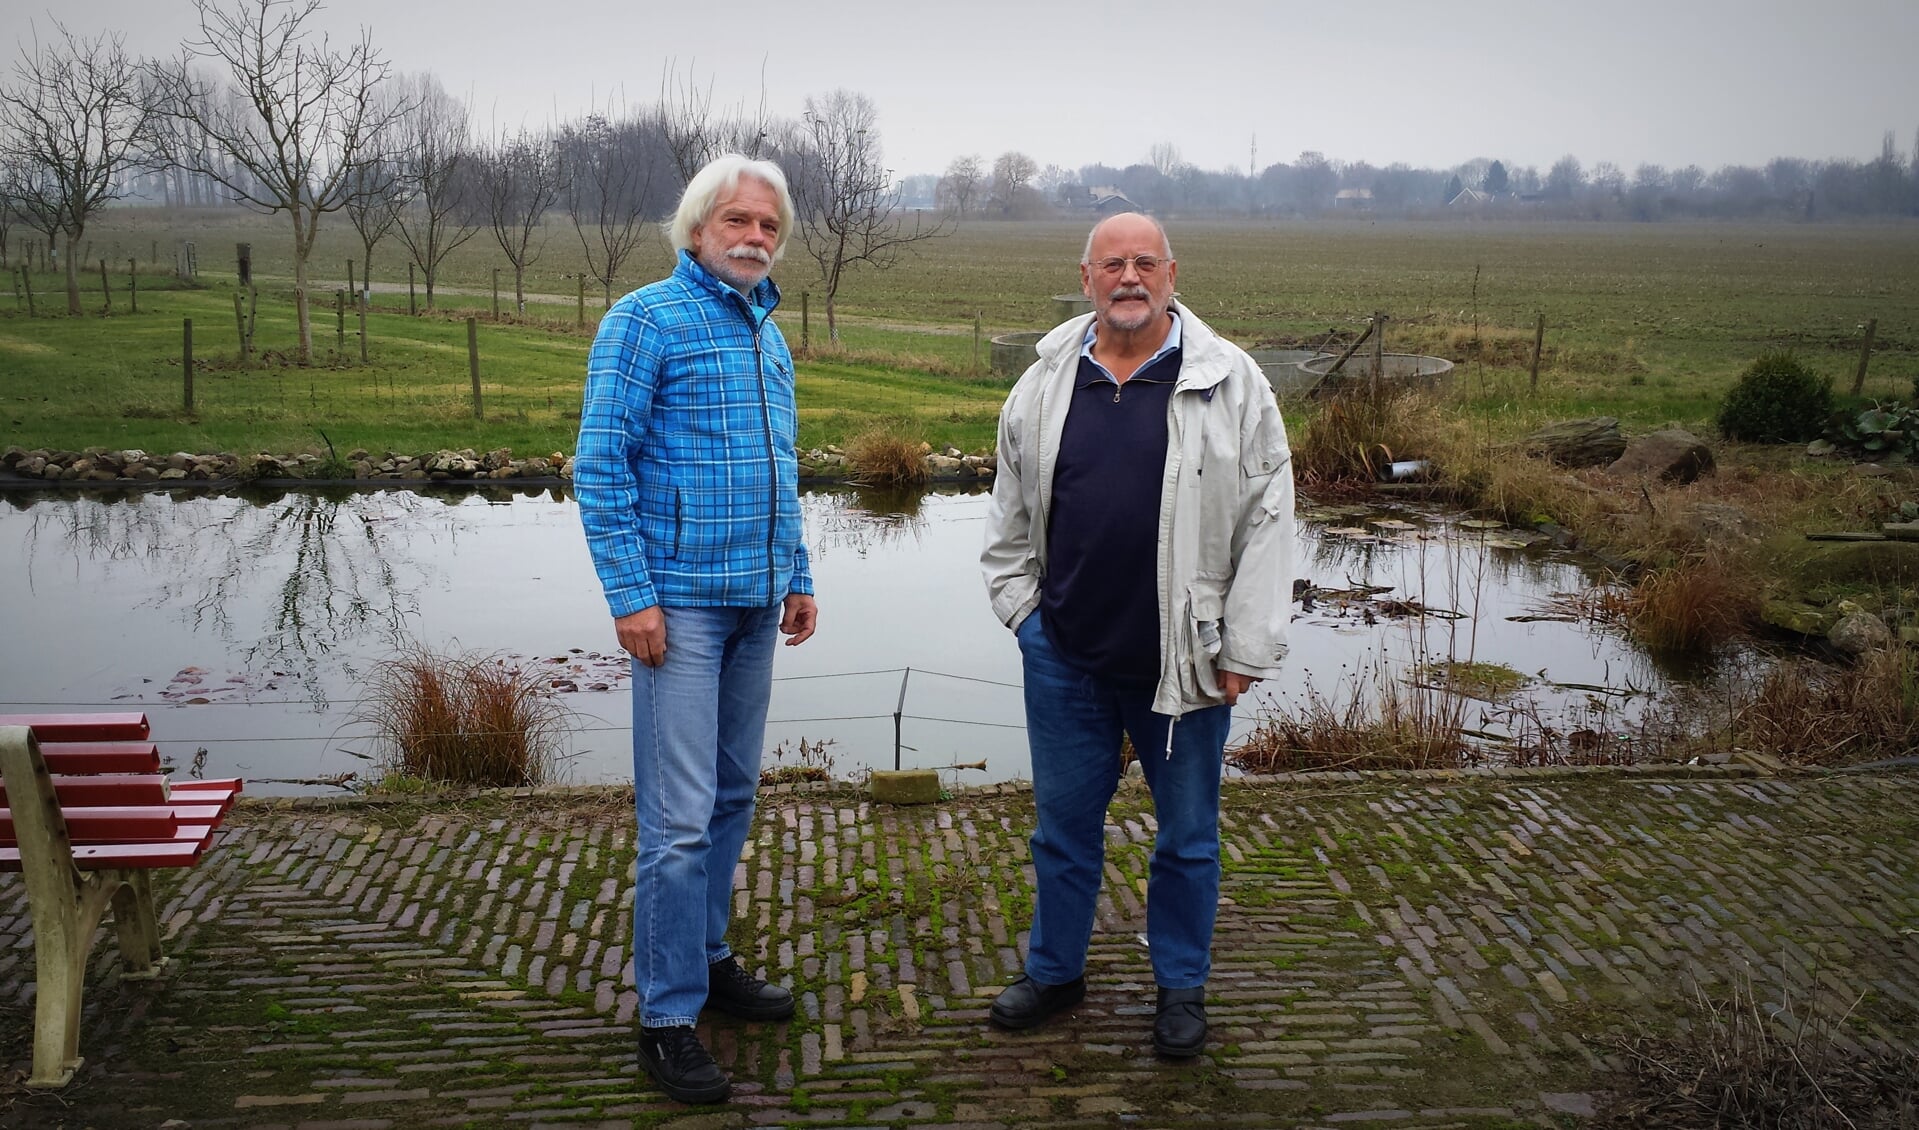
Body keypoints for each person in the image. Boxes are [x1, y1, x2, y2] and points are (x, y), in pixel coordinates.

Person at [979, 211, 1295, 1058]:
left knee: (1186, 837)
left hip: (1183, 663)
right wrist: (1023, 617)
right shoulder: (1045, 381)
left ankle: (1180, 988)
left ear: (1170, 273)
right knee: (1061, 832)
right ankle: (1055, 972)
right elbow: (1008, 518)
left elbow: (1268, 519)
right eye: (1111, 264)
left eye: (1143, 263)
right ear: (1085, 278)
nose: (1128, 277)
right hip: (1065, 657)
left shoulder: (1232, 382)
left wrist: (1245, 647)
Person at [575, 154, 818, 1105]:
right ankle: (667, 1017)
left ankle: (708, 959)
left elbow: (782, 465)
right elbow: (600, 466)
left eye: (768, 226)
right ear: (695, 230)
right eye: (737, 223)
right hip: (678, 608)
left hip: (759, 603)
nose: (755, 238)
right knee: (676, 824)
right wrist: (632, 597)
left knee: (728, 798)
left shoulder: (768, 333)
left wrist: (795, 576)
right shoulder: (645, 319)